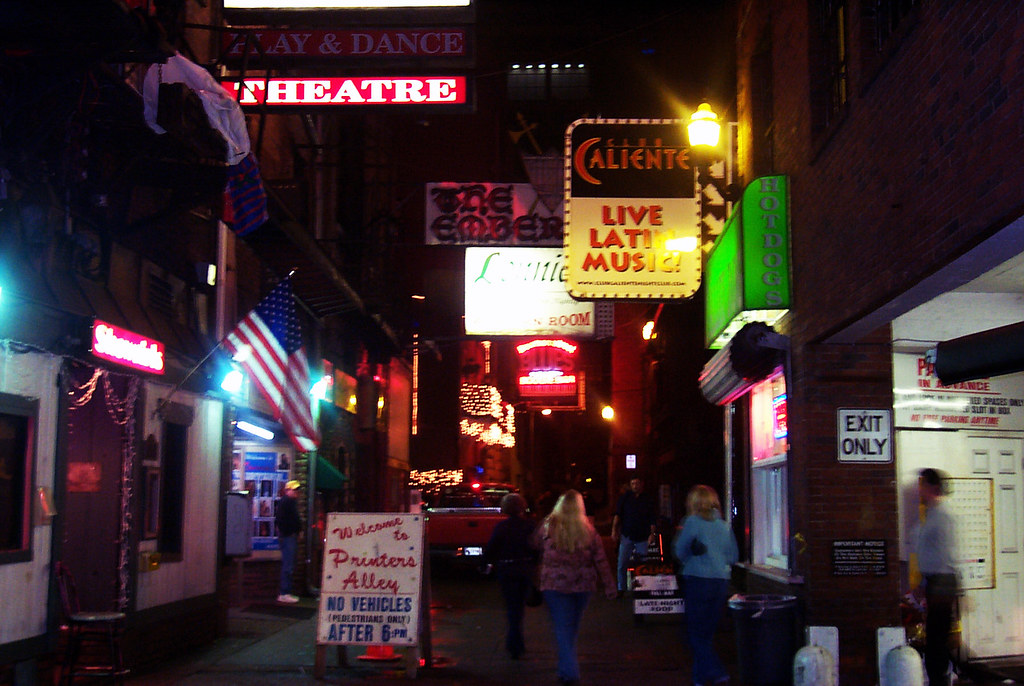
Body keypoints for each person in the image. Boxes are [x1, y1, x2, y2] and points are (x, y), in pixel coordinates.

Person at [531, 489, 617, 686]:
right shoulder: (587, 529)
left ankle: (569, 672)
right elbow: (601, 560)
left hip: (554, 585)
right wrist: (610, 586)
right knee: (571, 628)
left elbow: (534, 545)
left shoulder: (548, 526)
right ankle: (566, 668)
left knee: (563, 628)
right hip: (582, 586)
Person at [672, 485, 738, 686]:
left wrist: (693, 553)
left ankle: (717, 672)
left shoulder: (692, 522)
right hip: (720, 582)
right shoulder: (724, 525)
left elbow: (679, 552)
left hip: (698, 580)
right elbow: (733, 556)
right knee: (706, 633)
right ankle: (700, 677)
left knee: (694, 634)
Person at [915, 468, 958, 686]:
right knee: (934, 637)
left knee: (937, 638)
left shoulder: (943, 516)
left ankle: (940, 679)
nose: (919, 489)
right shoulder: (931, 514)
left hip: (942, 581)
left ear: (934, 488)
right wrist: (924, 582)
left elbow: (947, 553)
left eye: (922, 484)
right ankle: (938, 678)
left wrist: (942, 584)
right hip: (935, 581)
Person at [483, 493, 538, 660]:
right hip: (524, 568)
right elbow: (535, 548)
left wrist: (485, 563)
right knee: (519, 606)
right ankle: (516, 641)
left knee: (511, 606)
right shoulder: (530, 526)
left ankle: (514, 642)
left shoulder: (501, 527)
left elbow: (492, 548)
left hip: (507, 569)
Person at [611, 477, 657, 595]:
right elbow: (618, 515)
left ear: (642, 484)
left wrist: (652, 534)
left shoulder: (647, 499)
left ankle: (643, 587)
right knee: (622, 563)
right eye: (633, 483)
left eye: (637, 483)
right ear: (630, 485)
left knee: (642, 563)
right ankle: (621, 588)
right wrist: (614, 530)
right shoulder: (625, 498)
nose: (635, 486)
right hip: (627, 535)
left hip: (642, 536)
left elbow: (652, 518)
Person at [275, 479, 302, 603]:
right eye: (294, 489)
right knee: (288, 565)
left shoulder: (289, 502)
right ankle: (284, 592)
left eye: (297, 490)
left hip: (289, 536)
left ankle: (286, 591)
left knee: (289, 564)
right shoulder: (286, 502)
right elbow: (281, 520)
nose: (297, 492)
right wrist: (290, 531)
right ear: (288, 490)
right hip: (288, 536)